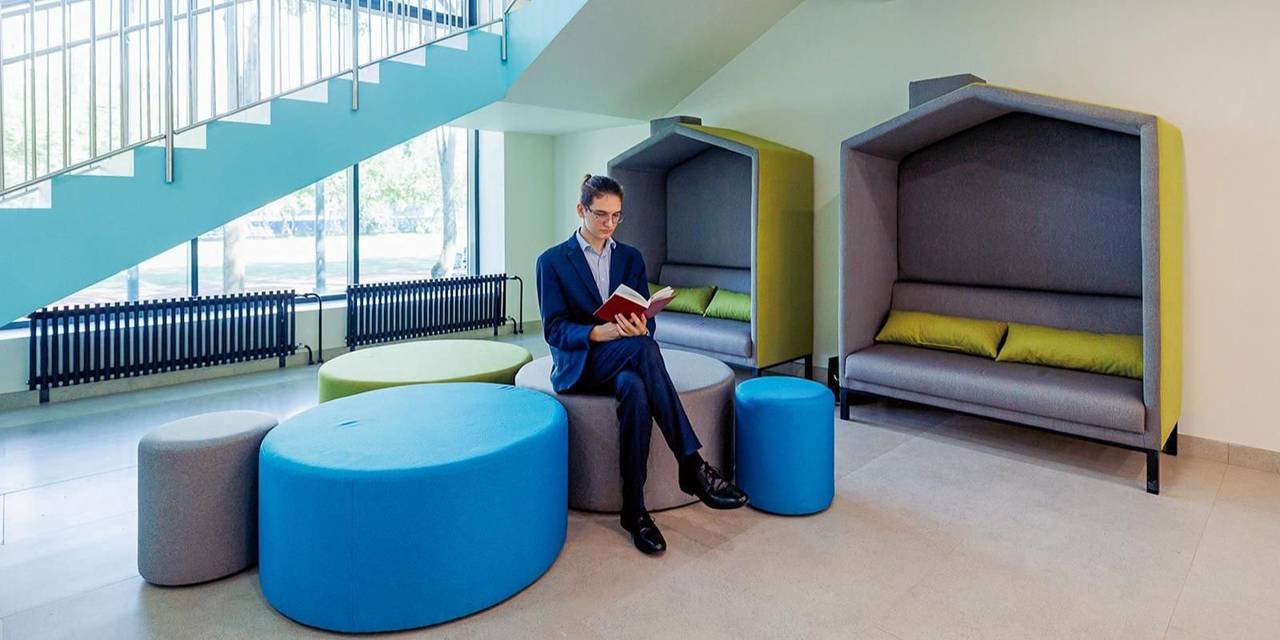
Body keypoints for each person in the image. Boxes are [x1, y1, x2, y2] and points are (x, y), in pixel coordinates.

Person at [535, 174, 748, 555]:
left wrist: (641, 326)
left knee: (635, 386)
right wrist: (599, 333)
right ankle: (691, 464)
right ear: (581, 209)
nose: (609, 223)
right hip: (581, 364)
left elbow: (644, 316)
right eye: (601, 214)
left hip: (625, 356)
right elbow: (554, 330)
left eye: (616, 215)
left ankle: (634, 511)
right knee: (646, 351)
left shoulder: (630, 257)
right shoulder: (551, 261)